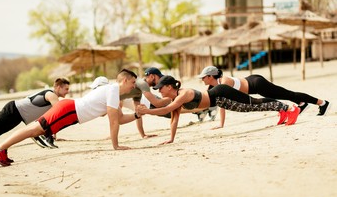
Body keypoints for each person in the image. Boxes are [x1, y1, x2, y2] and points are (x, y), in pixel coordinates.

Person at [0, 69, 140, 166]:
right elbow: (113, 121)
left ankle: (1, 149)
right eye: (132, 82)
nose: (134, 86)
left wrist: (137, 114)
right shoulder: (113, 90)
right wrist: (116, 146)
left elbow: (119, 119)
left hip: (71, 112)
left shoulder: (112, 91)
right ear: (124, 80)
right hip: (69, 110)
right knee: (34, 130)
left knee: (34, 130)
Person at [137, 75, 300, 144]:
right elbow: (173, 117)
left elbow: (169, 108)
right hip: (220, 100)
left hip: (222, 93)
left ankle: (288, 108)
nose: (159, 91)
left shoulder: (183, 94)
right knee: (250, 109)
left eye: (160, 88)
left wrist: (147, 112)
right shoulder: (175, 97)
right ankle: (282, 110)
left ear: (168, 86)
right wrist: (171, 139)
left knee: (253, 102)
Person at [197, 66, 331, 129]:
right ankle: (302, 104)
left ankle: (322, 103)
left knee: (288, 94)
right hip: (253, 82)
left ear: (210, 76)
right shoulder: (214, 86)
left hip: (257, 84)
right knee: (287, 95)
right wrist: (221, 124)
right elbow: (222, 103)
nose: (201, 79)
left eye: (203, 77)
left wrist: (221, 123)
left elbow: (228, 102)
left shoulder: (224, 81)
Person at [120, 67, 209, 138]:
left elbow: (138, 113)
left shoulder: (137, 88)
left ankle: (200, 109)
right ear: (152, 76)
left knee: (172, 109)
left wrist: (143, 134)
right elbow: (157, 104)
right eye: (159, 78)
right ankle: (200, 110)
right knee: (170, 110)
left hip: (148, 100)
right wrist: (175, 96)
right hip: (151, 101)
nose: (160, 82)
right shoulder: (143, 84)